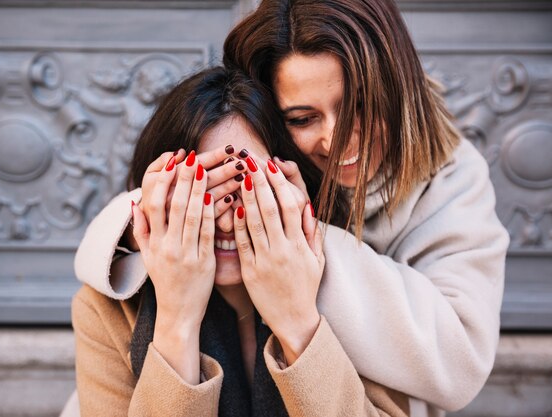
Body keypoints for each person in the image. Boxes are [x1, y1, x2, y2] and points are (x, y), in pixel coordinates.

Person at [73, 0, 509, 415]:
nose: (341, 142)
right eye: (302, 118)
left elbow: (460, 362)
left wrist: (292, 252)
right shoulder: (109, 310)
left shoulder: (450, 181)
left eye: (246, 185)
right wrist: (153, 244)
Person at [72, 67, 409, 416]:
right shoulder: (105, 311)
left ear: (293, 187)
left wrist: (298, 325)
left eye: (249, 185)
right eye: (203, 191)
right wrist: (177, 320)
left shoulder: (351, 291)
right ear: (159, 198)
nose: (227, 218)